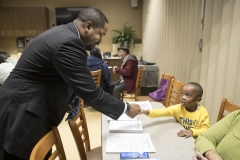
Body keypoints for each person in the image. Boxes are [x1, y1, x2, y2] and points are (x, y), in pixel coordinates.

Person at [0, 7, 141, 160]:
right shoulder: (70, 42)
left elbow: (60, 77)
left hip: (25, 105)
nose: (100, 40)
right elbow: (90, 92)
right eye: (100, 34)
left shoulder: (63, 33)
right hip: (21, 112)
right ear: (87, 26)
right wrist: (125, 108)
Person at [140, 82, 210, 138]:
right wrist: (145, 111)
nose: (183, 97)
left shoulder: (203, 112)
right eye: (182, 94)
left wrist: (192, 132)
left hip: (196, 141)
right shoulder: (178, 108)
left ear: (198, 100)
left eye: (188, 95)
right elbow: (161, 112)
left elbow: (206, 130)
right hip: (183, 139)